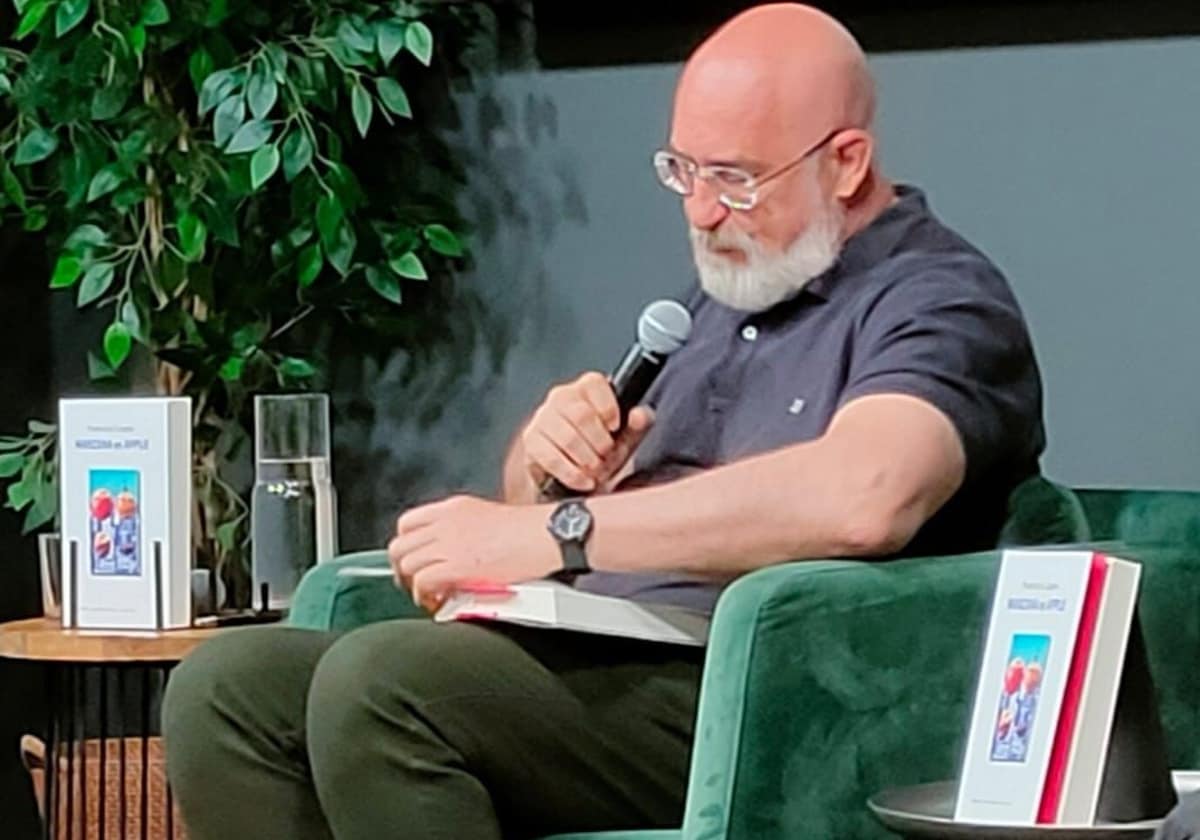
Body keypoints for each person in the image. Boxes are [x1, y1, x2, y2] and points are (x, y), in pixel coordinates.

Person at [162, 4, 1046, 839]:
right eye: (683, 170)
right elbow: (558, 501)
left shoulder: (940, 300)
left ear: (846, 162)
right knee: (227, 689)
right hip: (606, 644)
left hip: (767, 692)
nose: (700, 210)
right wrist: (544, 468)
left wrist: (560, 530)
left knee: (383, 685)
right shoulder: (726, 291)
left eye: (735, 180)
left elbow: (864, 495)